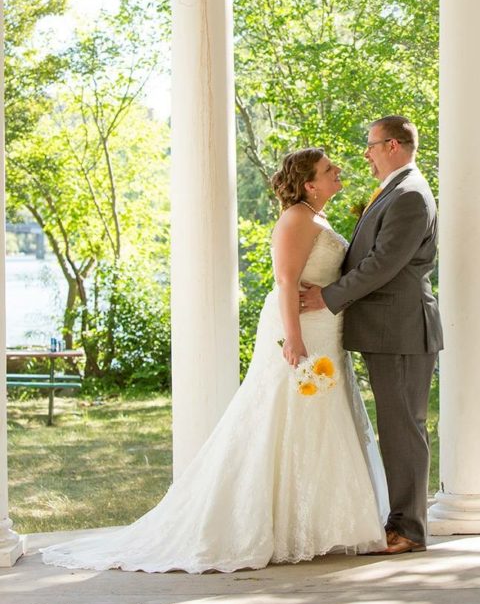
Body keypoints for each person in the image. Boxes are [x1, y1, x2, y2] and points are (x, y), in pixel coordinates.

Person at [40, 148, 389, 573]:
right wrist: (293, 339)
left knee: (320, 419)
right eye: (328, 169)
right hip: (301, 329)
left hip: (325, 328)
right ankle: (260, 523)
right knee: (280, 417)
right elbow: (285, 280)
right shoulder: (296, 218)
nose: (338, 171)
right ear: (310, 184)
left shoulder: (318, 218)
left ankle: (318, 524)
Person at [300, 116, 443, 554]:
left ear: (394, 146)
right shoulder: (396, 190)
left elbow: (383, 264)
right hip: (387, 328)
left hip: (400, 328)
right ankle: (398, 521)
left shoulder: (411, 196)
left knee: (403, 428)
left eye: (373, 145)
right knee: (397, 426)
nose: (366, 153)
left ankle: (409, 529)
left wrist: (328, 297)